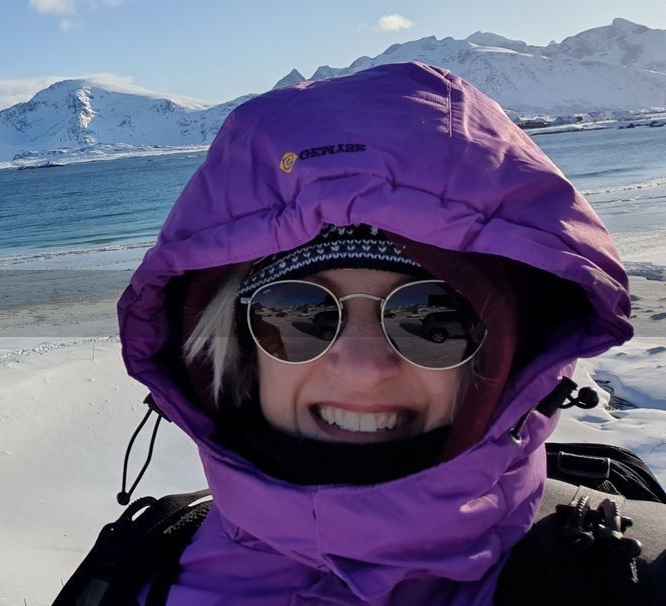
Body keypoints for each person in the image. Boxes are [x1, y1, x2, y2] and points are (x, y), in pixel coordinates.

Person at [110, 62, 635, 603]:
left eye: (433, 316)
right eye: (297, 314)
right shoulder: (132, 578)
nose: (362, 370)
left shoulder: (616, 582)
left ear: (508, 356)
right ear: (241, 350)